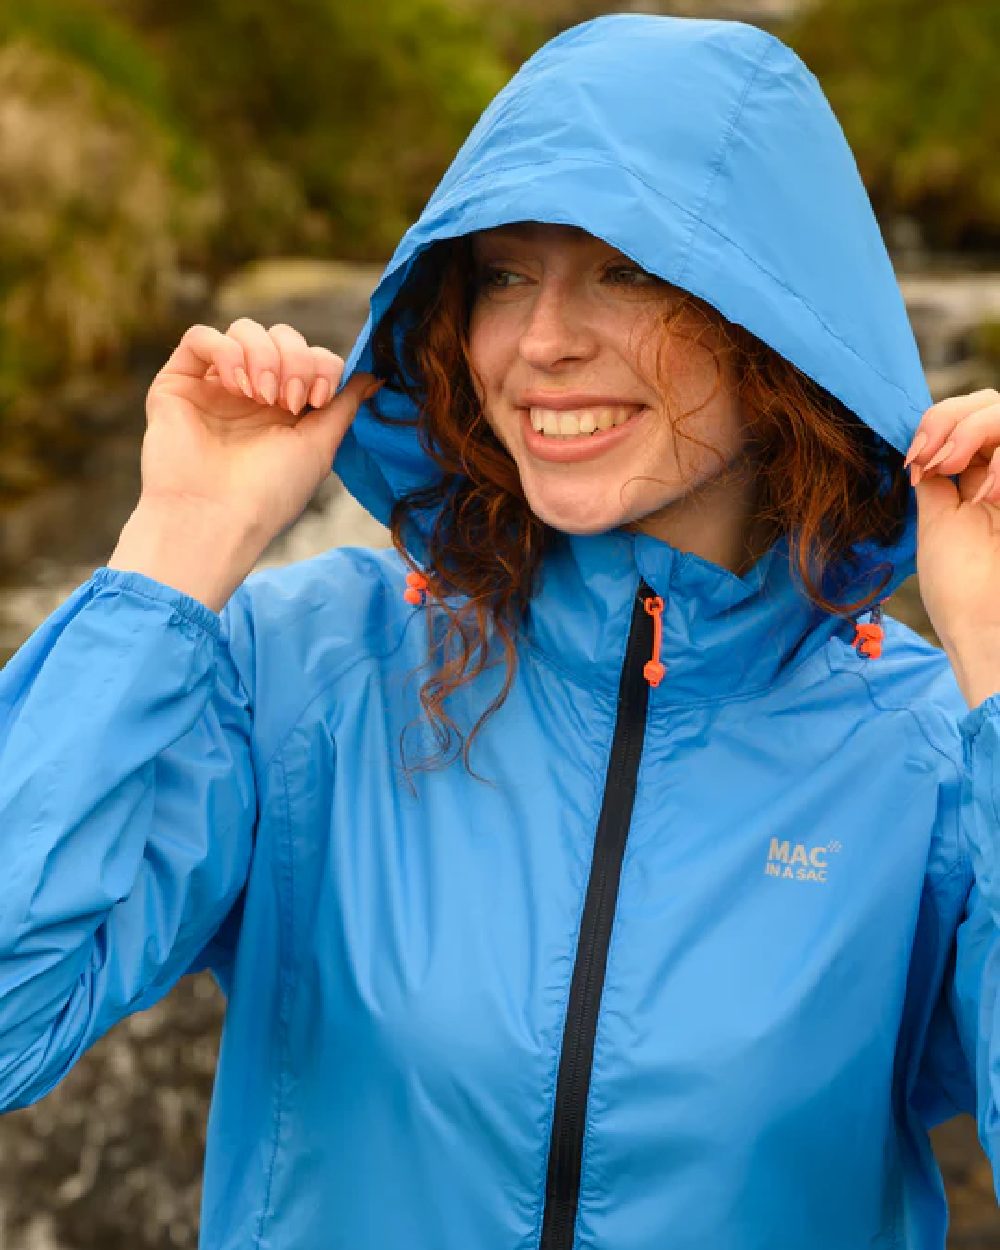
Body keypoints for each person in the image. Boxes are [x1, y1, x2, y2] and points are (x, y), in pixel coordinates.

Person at [1, 11, 999, 1248]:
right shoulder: (307, 669)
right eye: (502, 274)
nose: (540, 341)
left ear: (773, 326)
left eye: (626, 270)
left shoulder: (927, 752)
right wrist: (173, 549)